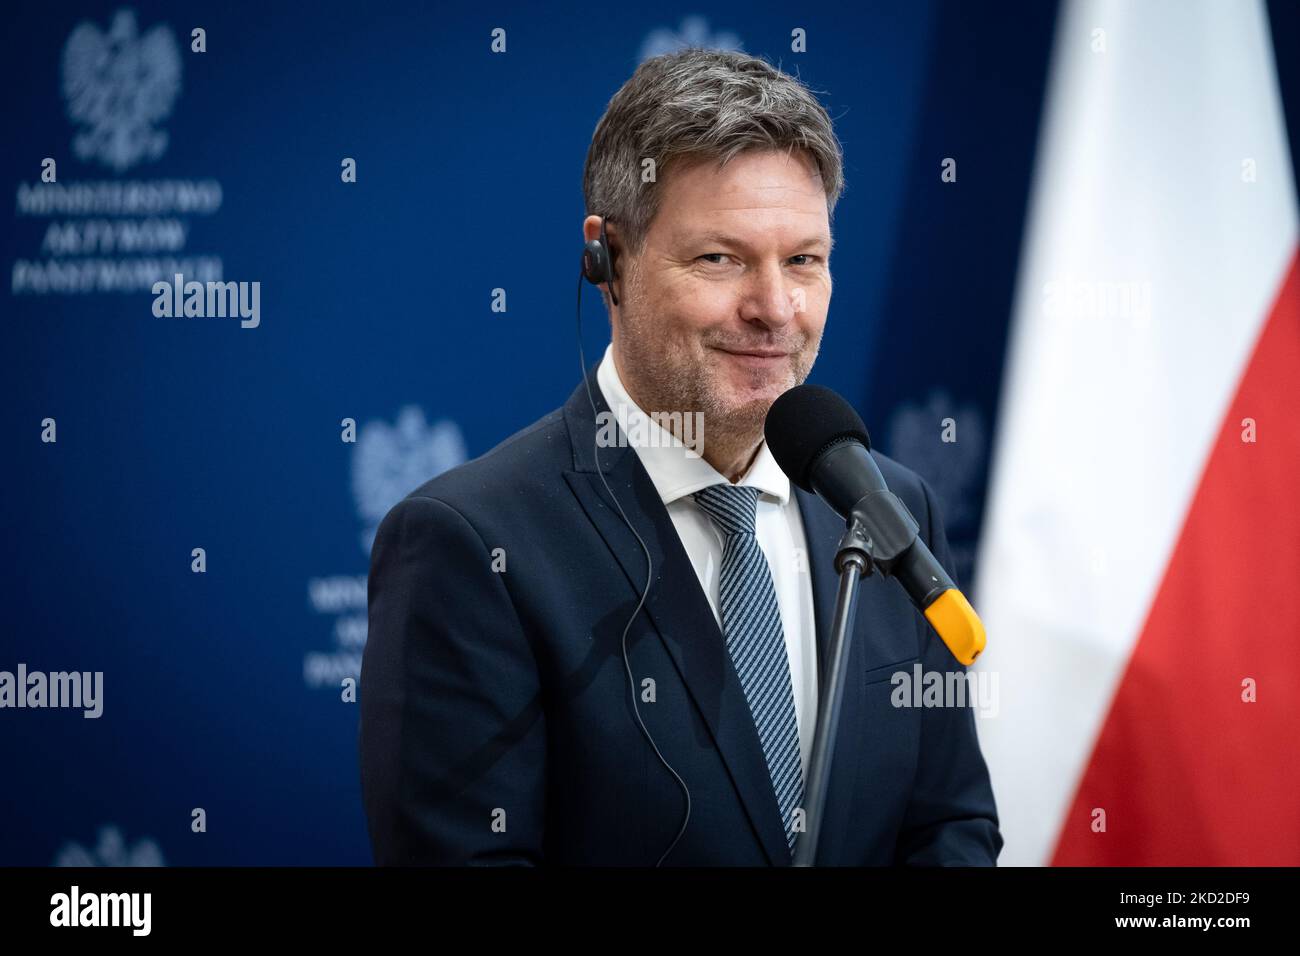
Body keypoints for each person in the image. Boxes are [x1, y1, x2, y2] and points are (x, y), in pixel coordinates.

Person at [358, 47, 1002, 866]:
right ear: (608, 260)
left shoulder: (888, 509)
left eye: (803, 259)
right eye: (720, 258)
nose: (776, 308)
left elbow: (948, 826)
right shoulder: (469, 544)